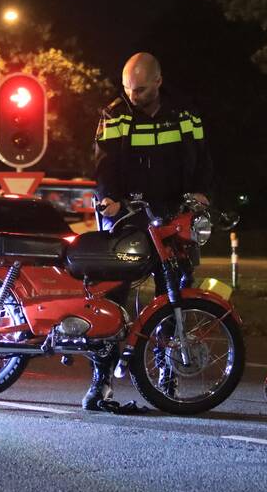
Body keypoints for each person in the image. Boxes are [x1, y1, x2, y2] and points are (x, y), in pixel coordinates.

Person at [88, 51, 213, 412]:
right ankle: (102, 378)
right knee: (112, 293)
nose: (133, 95)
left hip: (174, 214)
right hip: (129, 214)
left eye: (140, 89)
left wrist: (202, 193)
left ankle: (165, 369)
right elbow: (103, 162)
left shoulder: (185, 113)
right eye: (128, 88)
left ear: (158, 81)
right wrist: (108, 198)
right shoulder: (115, 114)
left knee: (175, 291)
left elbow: (203, 158)